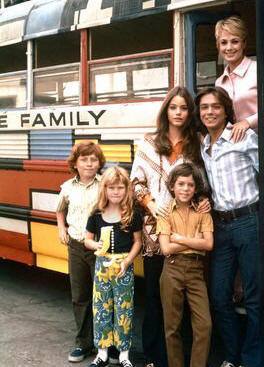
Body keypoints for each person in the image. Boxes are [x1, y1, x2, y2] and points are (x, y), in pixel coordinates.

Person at [130, 86, 210, 367]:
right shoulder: (149, 142)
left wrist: (204, 201)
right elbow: (136, 182)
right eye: (173, 107)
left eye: (184, 108)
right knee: (154, 298)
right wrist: (151, 204)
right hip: (155, 234)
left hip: (188, 232)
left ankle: (182, 358)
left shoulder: (197, 143)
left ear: (190, 113)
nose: (178, 113)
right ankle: (154, 357)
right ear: (166, 111)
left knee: (186, 302)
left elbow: (203, 183)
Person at [195, 86, 264, 367]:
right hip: (221, 227)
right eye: (204, 108)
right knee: (219, 296)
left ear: (226, 110)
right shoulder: (204, 146)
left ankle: (252, 360)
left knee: (253, 297)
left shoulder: (244, 136)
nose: (209, 112)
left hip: (249, 221)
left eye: (215, 107)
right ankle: (232, 357)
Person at [84, 166, 143, 367]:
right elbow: (87, 240)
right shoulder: (96, 213)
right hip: (102, 266)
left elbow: (138, 242)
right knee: (101, 308)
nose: (116, 192)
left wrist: (127, 261)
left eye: (120, 188)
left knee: (124, 310)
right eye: (111, 188)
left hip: (123, 266)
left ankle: (124, 355)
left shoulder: (132, 214)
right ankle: (102, 354)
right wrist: (95, 245)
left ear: (127, 189)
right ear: (104, 189)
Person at [157, 163, 213, 367]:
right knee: (172, 326)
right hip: (172, 269)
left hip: (196, 271)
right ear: (172, 186)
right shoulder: (165, 213)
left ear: (196, 188)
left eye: (190, 185)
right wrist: (192, 241)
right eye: (181, 183)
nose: (185, 189)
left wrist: (179, 238)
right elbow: (165, 248)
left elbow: (208, 244)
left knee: (204, 325)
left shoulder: (202, 212)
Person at [56, 141, 106, 363]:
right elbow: (60, 210)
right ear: (75, 164)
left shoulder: (104, 184)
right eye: (84, 159)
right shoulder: (68, 187)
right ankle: (83, 343)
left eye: (93, 159)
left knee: (104, 296)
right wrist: (61, 228)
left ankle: (107, 344)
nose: (89, 163)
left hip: (99, 247)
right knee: (80, 296)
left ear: (99, 163)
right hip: (76, 246)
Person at [215, 15, 257, 142]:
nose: (229, 48)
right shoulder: (219, 83)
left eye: (235, 41)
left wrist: (247, 122)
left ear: (244, 43)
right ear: (218, 46)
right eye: (223, 43)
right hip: (233, 147)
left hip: (261, 144)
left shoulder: (259, 71)